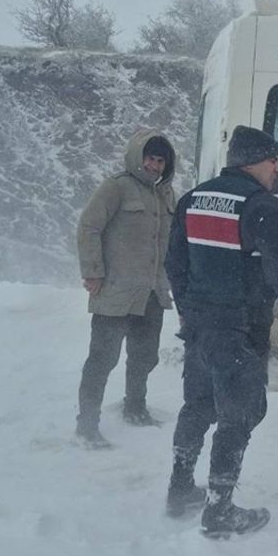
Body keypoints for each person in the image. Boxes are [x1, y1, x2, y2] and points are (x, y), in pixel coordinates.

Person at [164, 125, 278, 537]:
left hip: (199, 326)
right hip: (240, 328)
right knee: (240, 413)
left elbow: (174, 263)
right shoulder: (264, 207)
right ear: (257, 161)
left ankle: (179, 488)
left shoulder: (193, 199)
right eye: (274, 161)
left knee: (198, 405)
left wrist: (185, 308)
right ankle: (219, 511)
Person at [73, 130, 177, 449]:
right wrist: (93, 272)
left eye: (160, 160)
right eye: (149, 158)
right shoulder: (116, 187)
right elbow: (89, 227)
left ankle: (135, 407)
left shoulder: (167, 196)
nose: (154, 165)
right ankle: (86, 426)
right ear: (137, 157)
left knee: (144, 357)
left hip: (152, 292)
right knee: (102, 359)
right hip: (115, 291)